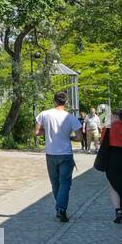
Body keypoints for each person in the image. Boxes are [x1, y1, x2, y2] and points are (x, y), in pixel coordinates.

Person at [35, 90, 83, 222]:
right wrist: (70, 136)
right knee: (65, 183)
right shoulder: (71, 118)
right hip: (66, 154)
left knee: (55, 183)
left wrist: (48, 131)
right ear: (66, 102)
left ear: (54, 101)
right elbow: (79, 137)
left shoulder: (44, 114)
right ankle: (61, 209)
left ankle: (59, 208)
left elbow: (37, 132)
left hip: (50, 154)